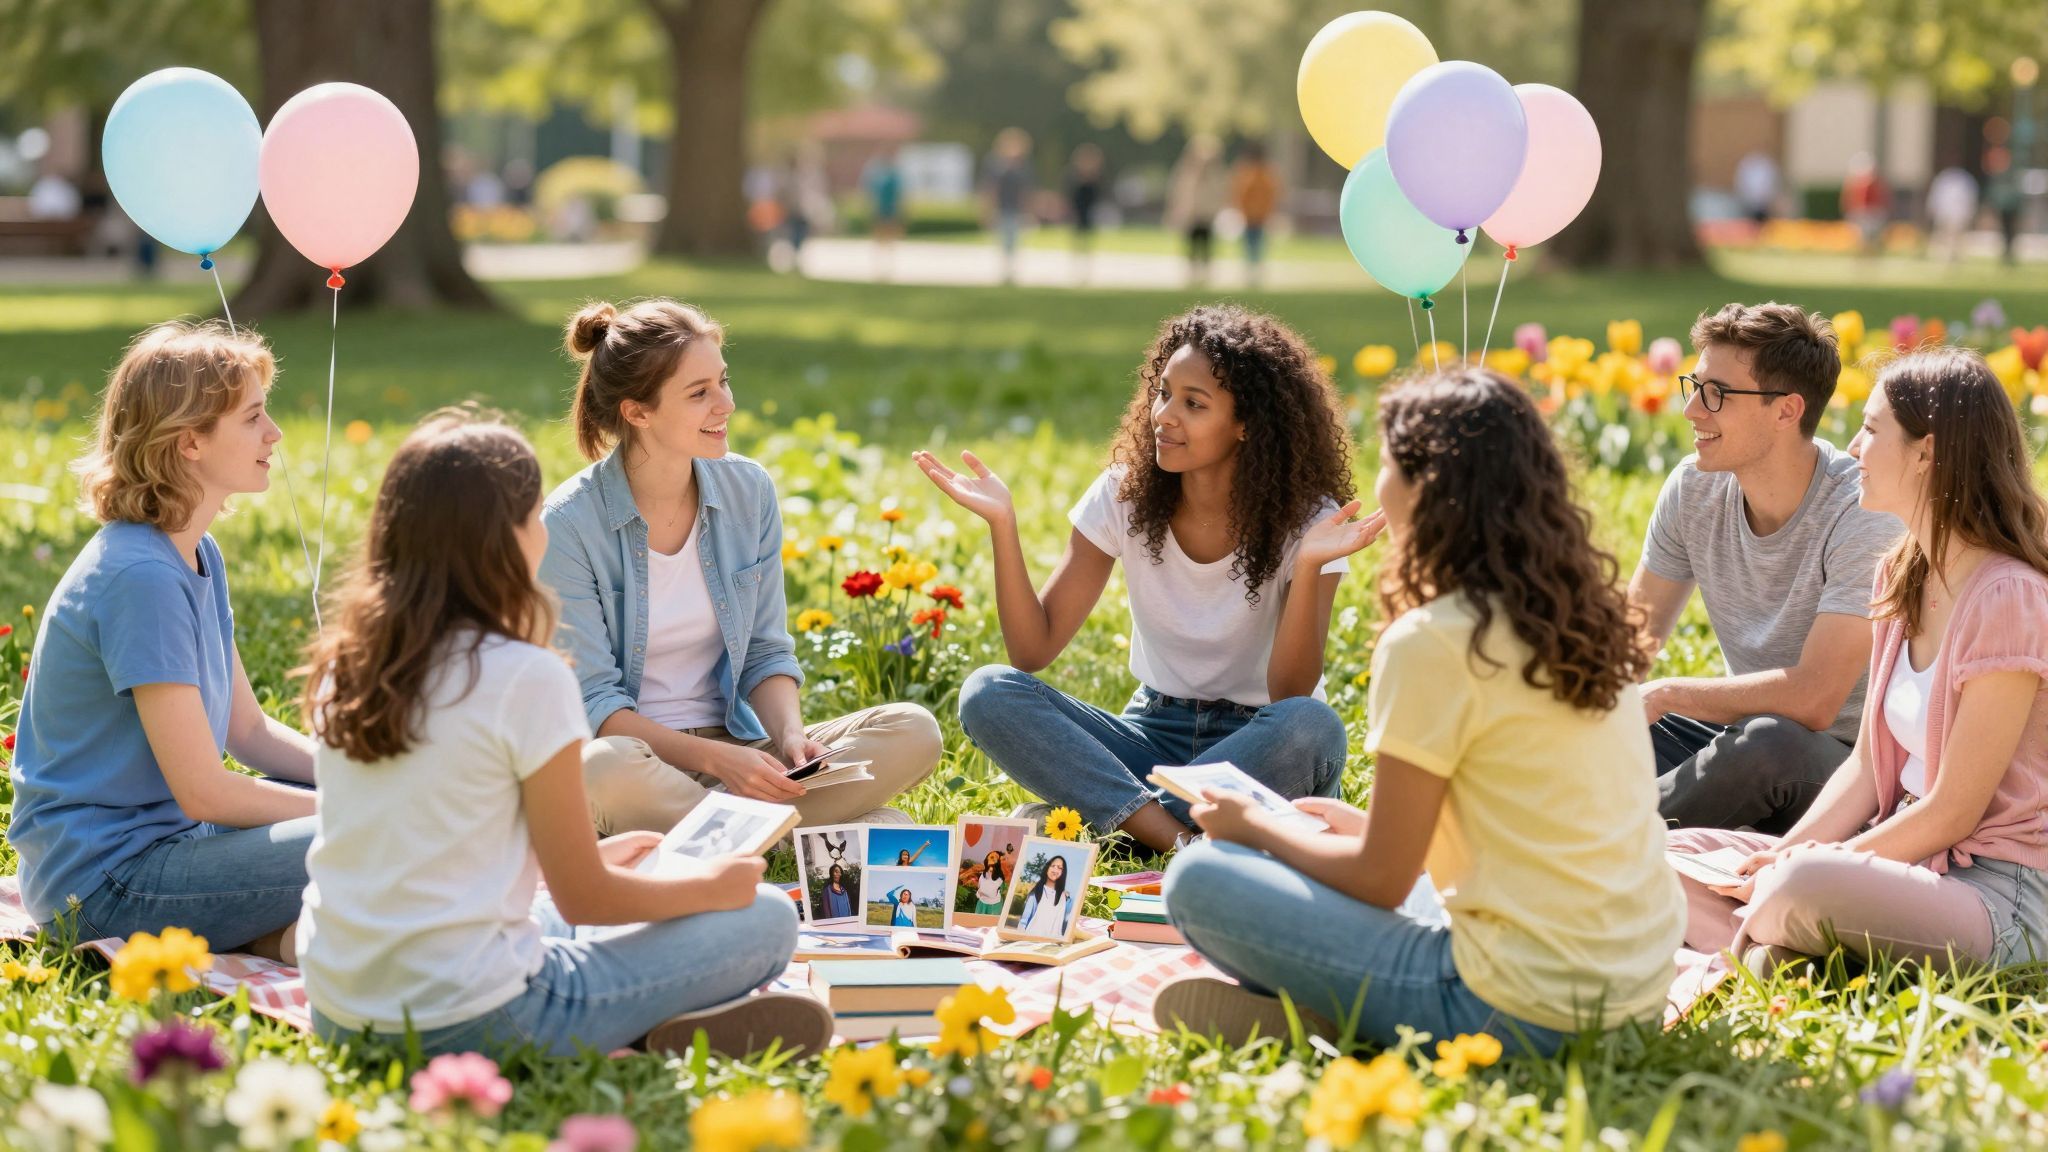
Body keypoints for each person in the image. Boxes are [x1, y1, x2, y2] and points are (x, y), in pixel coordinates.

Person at [1154, 366, 1684, 1050]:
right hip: (1632, 999)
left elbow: (1381, 879)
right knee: (1323, 862)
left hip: (1511, 1012)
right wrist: (1360, 825)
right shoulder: (1576, 618)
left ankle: (1346, 1021)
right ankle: (1338, 1014)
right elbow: (1527, 819)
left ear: (1421, 486)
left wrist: (1255, 826)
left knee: (1200, 878)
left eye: (1385, 463)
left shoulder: (1433, 641)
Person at [296, 411, 824, 1061]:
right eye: (535, 513)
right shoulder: (524, 674)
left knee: (576, 913)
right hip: (474, 1020)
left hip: (340, 1009)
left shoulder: (348, 661)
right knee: (767, 918)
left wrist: (597, 859)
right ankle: (642, 1033)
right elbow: (587, 899)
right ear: (509, 537)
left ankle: (645, 1024)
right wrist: (715, 888)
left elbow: (429, 841)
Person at [923, 305, 1361, 854]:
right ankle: (1182, 840)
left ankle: (1117, 823)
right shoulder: (1124, 496)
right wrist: (1002, 525)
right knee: (987, 692)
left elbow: (1290, 693)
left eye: (1193, 404)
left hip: (1259, 746)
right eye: (1163, 393)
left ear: (1247, 425)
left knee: (1311, 725)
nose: (1165, 415)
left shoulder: (1311, 523)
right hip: (1151, 736)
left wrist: (1306, 563)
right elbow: (1031, 651)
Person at [1670, 349, 2048, 973]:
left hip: (1994, 896)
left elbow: (1954, 810)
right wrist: (1780, 854)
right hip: (1901, 867)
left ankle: (1749, 954)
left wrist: (1802, 870)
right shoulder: (1902, 574)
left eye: (1871, 430)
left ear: (1927, 453)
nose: (1850, 448)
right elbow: (1870, 770)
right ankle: (1781, 951)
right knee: (1655, 855)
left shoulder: (2008, 597)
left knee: (1803, 885)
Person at [541, 299, 942, 838]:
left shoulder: (747, 490)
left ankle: (727, 834)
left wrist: (791, 736)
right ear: (637, 412)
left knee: (914, 730)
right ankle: (796, 834)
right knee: (602, 771)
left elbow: (764, 650)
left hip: (742, 751)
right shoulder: (568, 523)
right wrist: (716, 762)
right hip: (641, 758)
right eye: (699, 393)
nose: (726, 403)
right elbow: (597, 706)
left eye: (723, 381)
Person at [9, 321, 317, 961]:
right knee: (390, 833)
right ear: (190, 444)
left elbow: (249, 734)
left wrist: (366, 778)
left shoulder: (194, 550)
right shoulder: (140, 576)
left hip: (173, 850)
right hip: (102, 888)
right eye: (254, 417)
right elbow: (205, 791)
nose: (274, 434)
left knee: (383, 812)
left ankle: (282, 938)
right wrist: (375, 807)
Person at [1630, 303, 1902, 832]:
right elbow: (1629, 641)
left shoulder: (1863, 510)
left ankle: (1591, 843)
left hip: (1853, 774)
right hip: (1741, 741)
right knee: (1609, 728)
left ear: (1787, 410)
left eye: (1717, 394)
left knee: (1767, 744)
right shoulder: (1694, 488)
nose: (1691, 411)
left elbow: (1815, 700)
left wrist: (1667, 693)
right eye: (1695, 385)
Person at [1165, 136, 1228, 287]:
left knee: (1206, 246)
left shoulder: (1215, 176)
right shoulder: (1187, 174)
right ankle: (1192, 273)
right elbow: (1179, 193)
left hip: (1206, 216)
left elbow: (1219, 194)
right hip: (1192, 216)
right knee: (1192, 246)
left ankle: (1205, 273)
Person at [982, 128, 1034, 284]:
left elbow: (1026, 191)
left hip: (1015, 210)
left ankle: (1010, 270)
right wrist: (987, 210)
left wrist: (1028, 210)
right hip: (1001, 208)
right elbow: (990, 189)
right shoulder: (995, 165)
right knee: (1004, 240)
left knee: (1013, 240)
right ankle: (1005, 270)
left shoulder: (1023, 167)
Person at [1229, 142, 1282, 287]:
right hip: (1254, 215)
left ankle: (1253, 271)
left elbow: (1241, 194)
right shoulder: (1264, 173)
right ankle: (1252, 271)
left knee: (1253, 244)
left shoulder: (1251, 173)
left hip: (1256, 215)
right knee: (1253, 244)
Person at [861, 146, 906, 280]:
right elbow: (871, 195)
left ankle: (888, 265)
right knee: (880, 238)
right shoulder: (881, 176)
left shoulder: (892, 176)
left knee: (889, 238)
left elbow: (900, 196)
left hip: (890, 211)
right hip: (881, 210)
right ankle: (880, 265)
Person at [1065, 143, 1105, 280]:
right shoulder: (1074, 177)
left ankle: (1086, 267)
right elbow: (1071, 196)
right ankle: (1077, 267)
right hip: (1078, 213)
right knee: (1077, 240)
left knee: (1087, 241)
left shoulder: (1095, 180)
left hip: (1089, 214)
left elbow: (1098, 197)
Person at [1016, 856, 1072, 937]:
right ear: (1047, 868)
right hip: (1030, 941)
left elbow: (1067, 923)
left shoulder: (1065, 898)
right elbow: (1023, 922)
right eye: (1053, 866)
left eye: (1060, 868)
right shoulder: (1036, 893)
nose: (1055, 870)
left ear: (1063, 872)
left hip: (1052, 946)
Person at [972, 850, 1008, 915]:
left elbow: (992, 893)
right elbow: (980, 888)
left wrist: (981, 893)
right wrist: (979, 893)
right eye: (991, 857)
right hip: (982, 903)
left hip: (994, 906)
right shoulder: (983, 875)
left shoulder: (1000, 879)